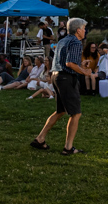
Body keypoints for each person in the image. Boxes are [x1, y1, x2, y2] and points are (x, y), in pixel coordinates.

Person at [31, 18, 92, 155]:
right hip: (66, 79)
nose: (84, 31)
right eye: (83, 28)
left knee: (60, 111)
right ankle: (68, 147)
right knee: (76, 113)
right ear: (78, 30)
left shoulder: (63, 40)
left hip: (56, 76)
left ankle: (40, 139)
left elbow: (66, 62)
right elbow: (70, 64)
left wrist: (81, 65)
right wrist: (85, 72)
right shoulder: (76, 42)